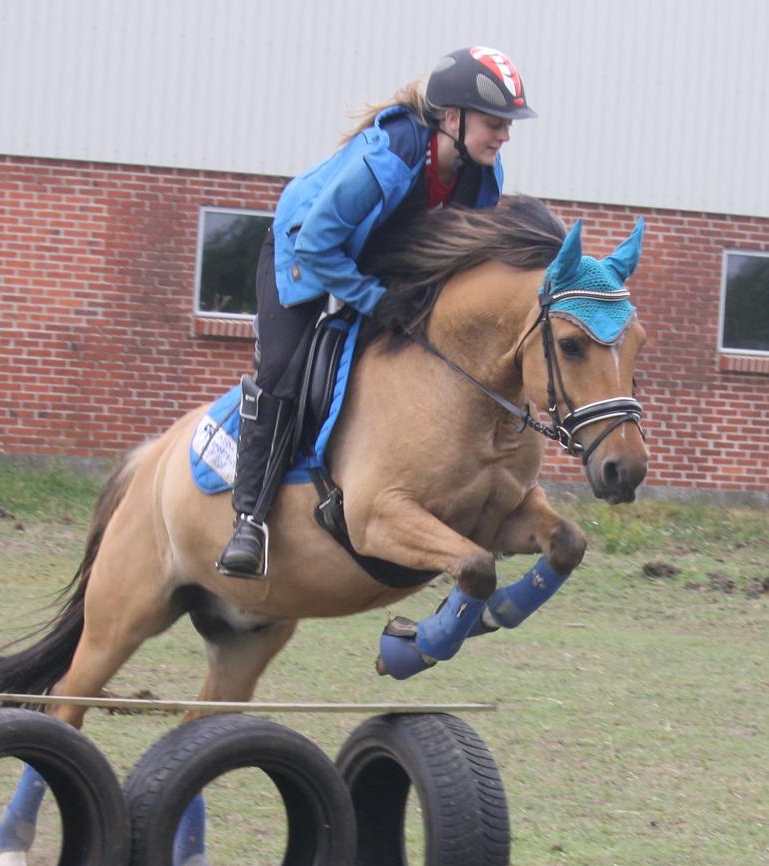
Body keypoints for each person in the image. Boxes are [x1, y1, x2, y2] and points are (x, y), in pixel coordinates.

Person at [217, 46, 537, 578]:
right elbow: (320, 245)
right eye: (493, 123)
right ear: (452, 119)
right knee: (285, 371)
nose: (503, 135)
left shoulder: (483, 173)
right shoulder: (387, 154)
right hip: (303, 254)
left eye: (507, 125)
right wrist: (373, 299)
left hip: (379, 265)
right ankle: (248, 520)